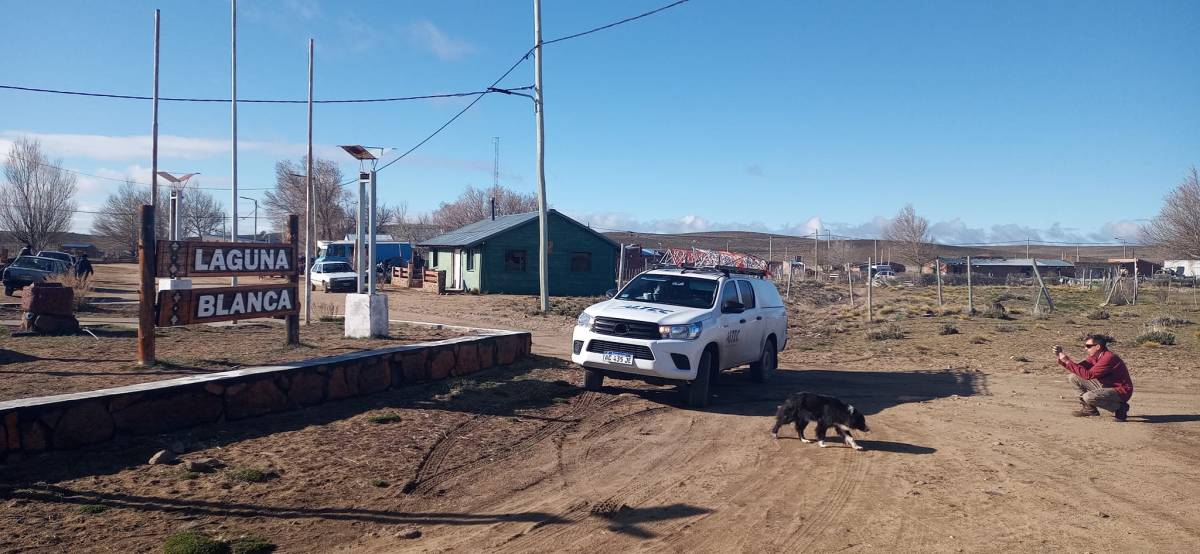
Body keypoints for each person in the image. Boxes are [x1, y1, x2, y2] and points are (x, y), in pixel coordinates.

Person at [1054, 334, 1133, 421]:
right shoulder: (1095, 357)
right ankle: (1090, 409)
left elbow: (1088, 375)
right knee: (1073, 377)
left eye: (1088, 346)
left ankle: (1120, 407)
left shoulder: (1109, 358)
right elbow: (1080, 369)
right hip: (1105, 386)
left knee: (1088, 397)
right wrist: (1062, 360)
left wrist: (1067, 361)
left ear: (1098, 347)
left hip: (1121, 391)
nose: (1085, 348)